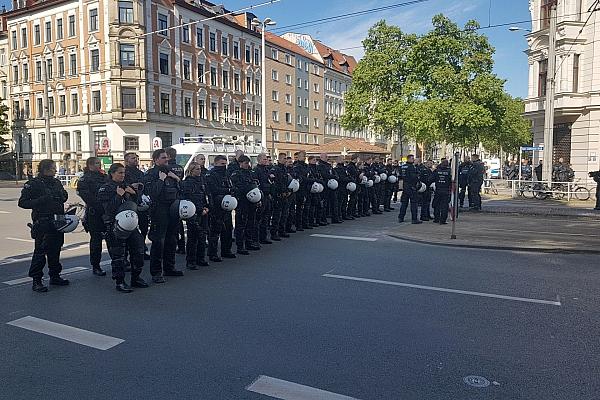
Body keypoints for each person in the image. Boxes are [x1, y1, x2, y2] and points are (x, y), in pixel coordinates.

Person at [18, 159, 70, 292]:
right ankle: (37, 280)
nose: (56, 170)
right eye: (53, 168)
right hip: (42, 221)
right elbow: (23, 203)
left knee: (56, 249)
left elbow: (63, 196)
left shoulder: (56, 182)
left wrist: (63, 196)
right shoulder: (33, 184)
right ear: (46, 169)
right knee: (40, 252)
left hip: (57, 219)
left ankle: (55, 275)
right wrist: (41, 200)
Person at [98, 163, 148, 292]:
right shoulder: (106, 188)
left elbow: (135, 205)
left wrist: (134, 194)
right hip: (115, 225)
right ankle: (120, 282)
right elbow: (108, 209)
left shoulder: (126, 186)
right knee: (119, 256)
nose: (122, 175)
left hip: (131, 223)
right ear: (112, 173)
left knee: (139, 251)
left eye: (124, 173)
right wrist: (118, 195)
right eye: (120, 173)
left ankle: (136, 278)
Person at [145, 148, 184, 283]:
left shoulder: (171, 173)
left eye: (167, 158)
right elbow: (153, 193)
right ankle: (156, 273)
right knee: (158, 242)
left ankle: (169, 268)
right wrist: (161, 181)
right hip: (159, 211)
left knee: (172, 240)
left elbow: (182, 191)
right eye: (163, 158)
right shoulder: (151, 174)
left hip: (172, 209)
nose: (166, 160)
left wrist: (177, 179)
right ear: (155, 160)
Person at [77, 157, 108, 276]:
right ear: (89, 165)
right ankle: (96, 265)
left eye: (99, 163)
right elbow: (88, 197)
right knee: (96, 241)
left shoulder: (104, 177)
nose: (98, 165)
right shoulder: (85, 179)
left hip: (107, 211)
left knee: (112, 238)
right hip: (94, 213)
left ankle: (119, 262)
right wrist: (101, 207)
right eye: (96, 163)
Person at [205, 155, 236, 262]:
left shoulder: (226, 174)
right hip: (216, 206)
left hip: (226, 205)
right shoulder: (211, 175)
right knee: (215, 231)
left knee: (227, 229)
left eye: (225, 164)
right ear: (216, 163)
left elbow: (230, 186)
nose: (224, 166)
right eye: (222, 164)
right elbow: (214, 189)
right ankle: (213, 253)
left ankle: (226, 250)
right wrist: (227, 190)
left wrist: (230, 190)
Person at [182, 162, 209, 269]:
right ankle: (191, 261)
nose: (199, 171)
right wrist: (199, 209)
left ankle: (200, 258)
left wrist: (207, 207)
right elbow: (190, 198)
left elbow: (205, 195)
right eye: (197, 169)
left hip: (203, 210)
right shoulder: (188, 182)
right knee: (193, 237)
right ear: (191, 170)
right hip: (193, 212)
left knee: (202, 236)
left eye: (199, 169)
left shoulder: (202, 180)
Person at [230, 155, 260, 255]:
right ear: (240, 163)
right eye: (246, 163)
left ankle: (249, 242)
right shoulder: (236, 174)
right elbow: (237, 187)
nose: (248, 165)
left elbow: (255, 185)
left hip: (251, 201)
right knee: (240, 225)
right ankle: (240, 246)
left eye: (248, 163)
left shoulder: (250, 173)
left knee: (250, 222)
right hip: (242, 201)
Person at [124, 152, 150, 259]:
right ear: (126, 160)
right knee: (129, 229)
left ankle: (141, 249)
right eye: (132, 158)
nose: (135, 160)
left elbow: (145, 186)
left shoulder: (140, 173)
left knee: (143, 227)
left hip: (141, 203)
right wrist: (130, 186)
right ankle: (128, 253)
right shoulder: (124, 172)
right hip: (129, 203)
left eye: (136, 158)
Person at [165, 147, 186, 255]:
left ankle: (173, 245)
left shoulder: (166, 168)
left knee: (171, 224)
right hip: (179, 196)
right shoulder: (180, 168)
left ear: (168, 156)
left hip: (170, 198)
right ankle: (182, 245)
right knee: (179, 223)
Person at [270, 153, 292, 240]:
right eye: (283, 158)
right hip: (278, 196)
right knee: (277, 215)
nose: (285, 160)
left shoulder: (285, 169)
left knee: (284, 214)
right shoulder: (275, 169)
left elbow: (287, 182)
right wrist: (279, 192)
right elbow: (274, 183)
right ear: (279, 159)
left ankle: (282, 231)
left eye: (286, 158)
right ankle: (274, 233)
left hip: (285, 195)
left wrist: (288, 191)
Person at [254, 153, 274, 243]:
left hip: (267, 196)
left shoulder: (266, 170)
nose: (266, 161)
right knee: (259, 218)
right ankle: (256, 238)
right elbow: (256, 185)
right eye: (264, 159)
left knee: (266, 217)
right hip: (260, 196)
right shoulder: (256, 170)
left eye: (266, 159)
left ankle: (263, 237)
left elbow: (270, 182)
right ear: (259, 160)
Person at [318, 153, 341, 223]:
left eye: (327, 156)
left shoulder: (328, 165)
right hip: (325, 186)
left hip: (332, 186)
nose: (327, 158)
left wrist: (335, 176)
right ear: (321, 157)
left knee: (334, 203)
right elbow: (324, 175)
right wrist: (333, 176)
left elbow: (334, 172)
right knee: (324, 204)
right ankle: (323, 219)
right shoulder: (320, 166)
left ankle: (335, 218)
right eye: (325, 156)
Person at [397, 154, 421, 224]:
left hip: (405, 186)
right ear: (409, 159)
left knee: (404, 203)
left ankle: (400, 217)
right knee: (414, 203)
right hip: (411, 187)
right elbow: (414, 177)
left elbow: (400, 176)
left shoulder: (402, 167)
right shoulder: (411, 167)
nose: (413, 160)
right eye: (412, 159)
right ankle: (414, 219)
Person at [292, 151, 310, 230]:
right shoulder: (297, 166)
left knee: (306, 207)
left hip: (306, 188)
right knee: (300, 208)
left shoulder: (306, 166)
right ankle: (298, 224)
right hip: (300, 189)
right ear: (299, 157)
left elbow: (309, 174)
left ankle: (305, 223)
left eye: (305, 156)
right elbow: (301, 178)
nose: (304, 158)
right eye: (303, 156)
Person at [431, 159, 452, 224]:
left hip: (438, 190)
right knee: (444, 206)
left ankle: (436, 219)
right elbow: (452, 181)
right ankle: (443, 220)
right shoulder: (450, 171)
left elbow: (431, 179)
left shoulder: (437, 170)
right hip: (446, 190)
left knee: (437, 204)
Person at [307, 156, 325, 226]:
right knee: (312, 206)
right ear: (309, 161)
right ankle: (311, 221)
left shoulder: (317, 168)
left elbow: (319, 176)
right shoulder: (309, 168)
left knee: (319, 205)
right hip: (311, 188)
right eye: (313, 160)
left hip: (318, 188)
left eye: (315, 160)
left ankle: (318, 220)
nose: (315, 161)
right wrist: (315, 180)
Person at [333, 156, 352, 220]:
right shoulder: (337, 169)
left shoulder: (344, 168)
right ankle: (338, 216)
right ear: (338, 161)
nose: (343, 160)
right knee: (339, 203)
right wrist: (348, 179)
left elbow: (348, 175)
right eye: (341, 159)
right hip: (340, 187)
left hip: (345, 187)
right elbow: (341, 178)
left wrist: (349, 179)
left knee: (344, 202)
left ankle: (344, 215)